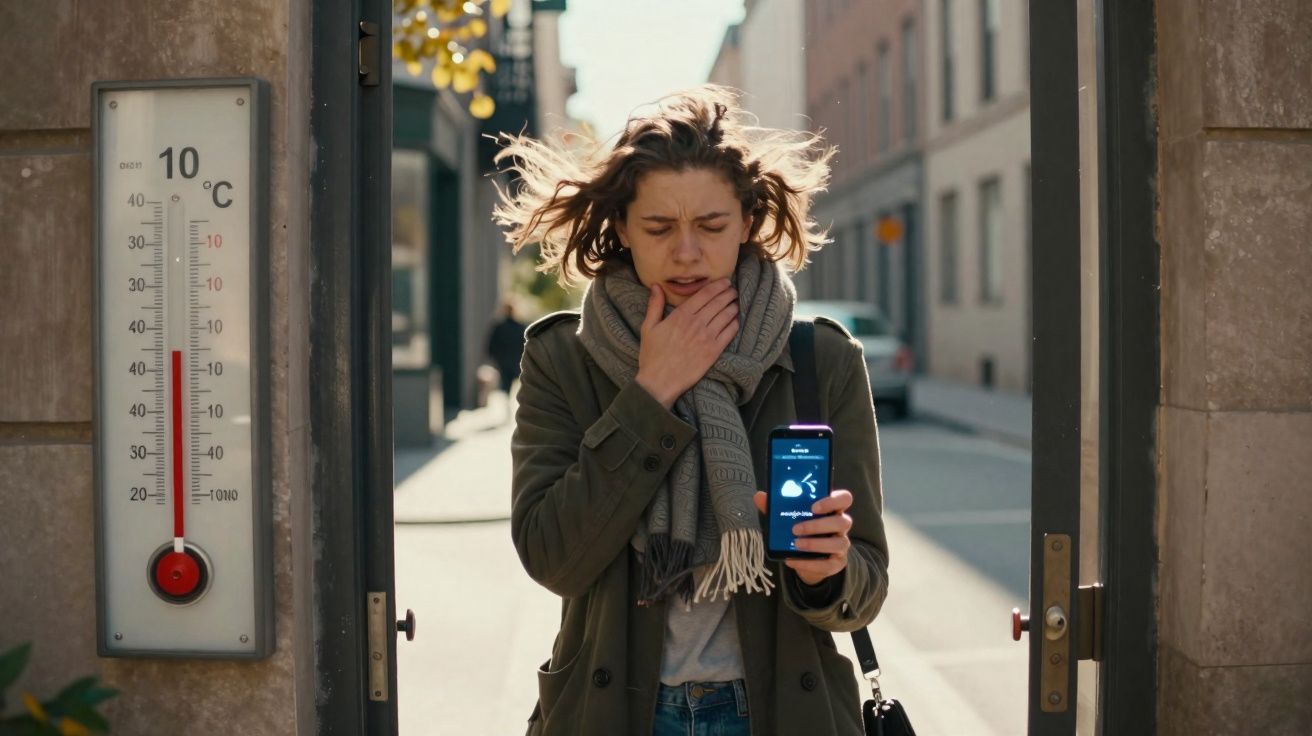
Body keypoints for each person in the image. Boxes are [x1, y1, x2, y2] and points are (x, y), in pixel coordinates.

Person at [495, 86, 889, 736]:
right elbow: (553, 557)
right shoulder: (563, 359)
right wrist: (652, 394)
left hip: (781, 714)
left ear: (746, 223)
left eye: (711, 226)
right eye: (658, 228)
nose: (686, 253)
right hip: (617, 714)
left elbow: (865, 587)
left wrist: (829, 573)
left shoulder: (822, 360)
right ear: (621, 226)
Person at [487, 299, 528, 420]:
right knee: (516, 384)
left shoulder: (499, 327)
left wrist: (494, 358)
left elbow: (491, 345)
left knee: (506, 385)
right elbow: (525, 344)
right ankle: (514, 407)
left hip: (503, 362)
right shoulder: (520, 327)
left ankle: (509, 407)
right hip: (516, 361)